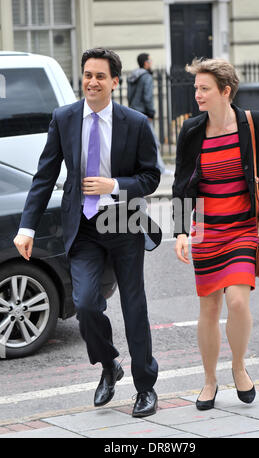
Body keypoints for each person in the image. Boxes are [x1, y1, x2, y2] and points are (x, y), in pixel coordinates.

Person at [13, 47, 161, 418]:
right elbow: (45, 175)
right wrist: (26, 226)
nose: (92, 82)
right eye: (87, 75)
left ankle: (146, 387)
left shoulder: (136, 123)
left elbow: (151, 177)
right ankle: (109, 365)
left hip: (123, 222)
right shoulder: (64, 118)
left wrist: (113, 184)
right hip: (83, 227)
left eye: (100, 76)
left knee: (134, 307)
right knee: (86, 304)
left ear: (114, 82)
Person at [172, 58, 259, 410]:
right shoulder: (191, 131)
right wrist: (180, 231)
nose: (198, 95)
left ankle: (238, 367)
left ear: (225, 91)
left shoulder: (253, 124)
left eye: (204, 89)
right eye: (196, 89)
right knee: (209, 306)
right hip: (205, 228)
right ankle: (208, 380)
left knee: (236, 301)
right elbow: (180, 186)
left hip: (242, 229)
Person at [127, 53, 172, 175]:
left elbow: (129, 96)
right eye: (150, 60)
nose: (151, 62)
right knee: (153, 142)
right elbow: (148, 97)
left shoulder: (132, 76)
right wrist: (150, 113)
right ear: (146, 63)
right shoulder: (146, 77)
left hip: (133, 112)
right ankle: (160, 169)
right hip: (144, 114)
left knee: (135, 143)